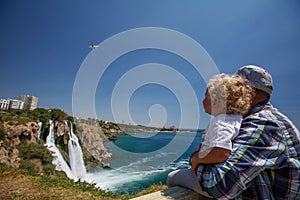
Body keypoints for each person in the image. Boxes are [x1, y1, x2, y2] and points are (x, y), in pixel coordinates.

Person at [167, 65, 300, 199]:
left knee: (173, 177)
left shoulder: (263, 124)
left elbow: (220, 185)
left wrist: (195, 160)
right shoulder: (269, 119)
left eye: (235, 89)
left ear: (247, 91)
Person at [190, 73, 253, 174]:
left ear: (215, 101)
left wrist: (196, 159)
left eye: (206, 97)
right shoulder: (237, 120)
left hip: (210, 173)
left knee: (172, 177)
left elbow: (221, 153)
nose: (203, 101)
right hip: (224, 172)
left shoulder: (220, 122)